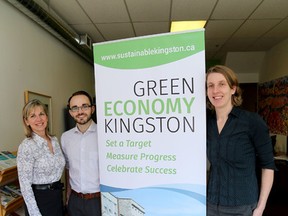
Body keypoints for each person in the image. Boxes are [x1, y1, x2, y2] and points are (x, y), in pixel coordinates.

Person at [206, 65, 276, 216]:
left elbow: (268, 166)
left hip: (241, 207)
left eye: (221, 84)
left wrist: (260, 208)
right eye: (210, 85)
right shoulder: (206, 123)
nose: (215, 90)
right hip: (210, 205)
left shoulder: (252, 122)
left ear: (233, 89)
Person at [17, 99, 65, 216]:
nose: (38, 119)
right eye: (33, 116)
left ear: (47, 117)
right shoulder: (27, 146)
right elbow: (25, 186)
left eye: (41, 114)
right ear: (26, 121)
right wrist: (35, 213)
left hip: (57, 196)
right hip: (39, 200)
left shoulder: (54, 140)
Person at [61, 90, 101, 216]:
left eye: (85, 106)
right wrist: (68, 196)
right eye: (75, 108)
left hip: (98, 200)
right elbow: (68, 168)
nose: (80, 112)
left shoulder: (105, 135)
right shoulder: (65, 138)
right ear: (71, 112)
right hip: (75, 200)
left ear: (92, 109)